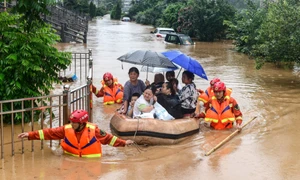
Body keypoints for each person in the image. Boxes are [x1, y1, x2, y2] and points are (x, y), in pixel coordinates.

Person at [18, 110, 134, 158]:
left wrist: (124, 143)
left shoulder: (95, 131)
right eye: (72, 122)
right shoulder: (66, 129)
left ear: (82, 123)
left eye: (74, 123)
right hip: (69, 158)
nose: (72, 124)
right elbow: (49, 133)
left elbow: (109, 139)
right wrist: (30, 134)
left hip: (91, 164)